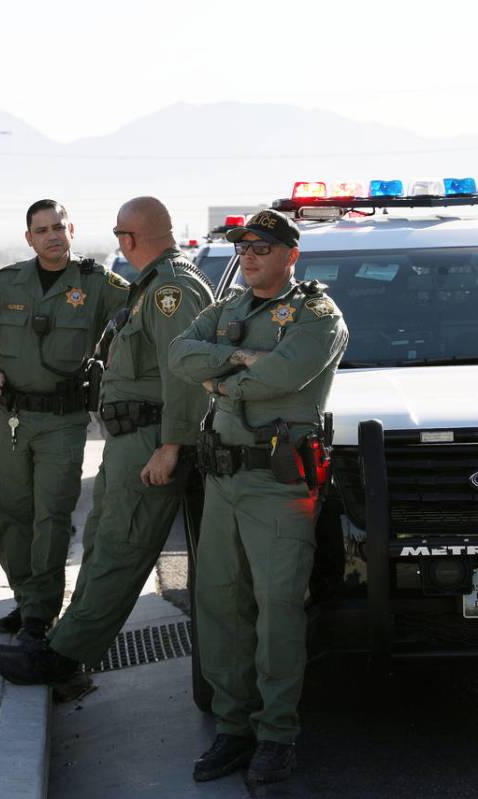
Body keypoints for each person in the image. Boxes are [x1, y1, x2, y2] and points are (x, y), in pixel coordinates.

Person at [0, 197, 213, 682]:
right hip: (130, 438)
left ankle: (66, 656)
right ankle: (66, 641)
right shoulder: (150, 286)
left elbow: (185, 375)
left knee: (120, 549)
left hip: (151, 440)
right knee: (101, 541)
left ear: (129, 240)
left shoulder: (169, 290)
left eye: (119, 235)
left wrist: (172, 445)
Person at [169, 209, 348, 786]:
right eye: (243, 248)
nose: (248, 257)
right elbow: (179, 355)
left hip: (278, 485)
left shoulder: (317, 315)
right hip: (222, 480)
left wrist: (219, 378)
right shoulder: (228, 309)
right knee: (220, 606)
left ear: (290, 255)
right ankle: (234, 727)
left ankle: (276, 736)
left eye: (263, 249)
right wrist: (243, 359)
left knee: (276, 614)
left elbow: (285, 375)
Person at [0, 200, 130, 640]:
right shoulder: (7, 283)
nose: (52, 236)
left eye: (58, 227)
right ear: (29, 238)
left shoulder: (96, 284)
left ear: (71, 229)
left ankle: (41, 610)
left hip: (63, 418)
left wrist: (119, 353)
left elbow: (140, 310)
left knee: (52, 514)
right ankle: (24, 599)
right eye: (42, 230)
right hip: (10, 417)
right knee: (11, 512)